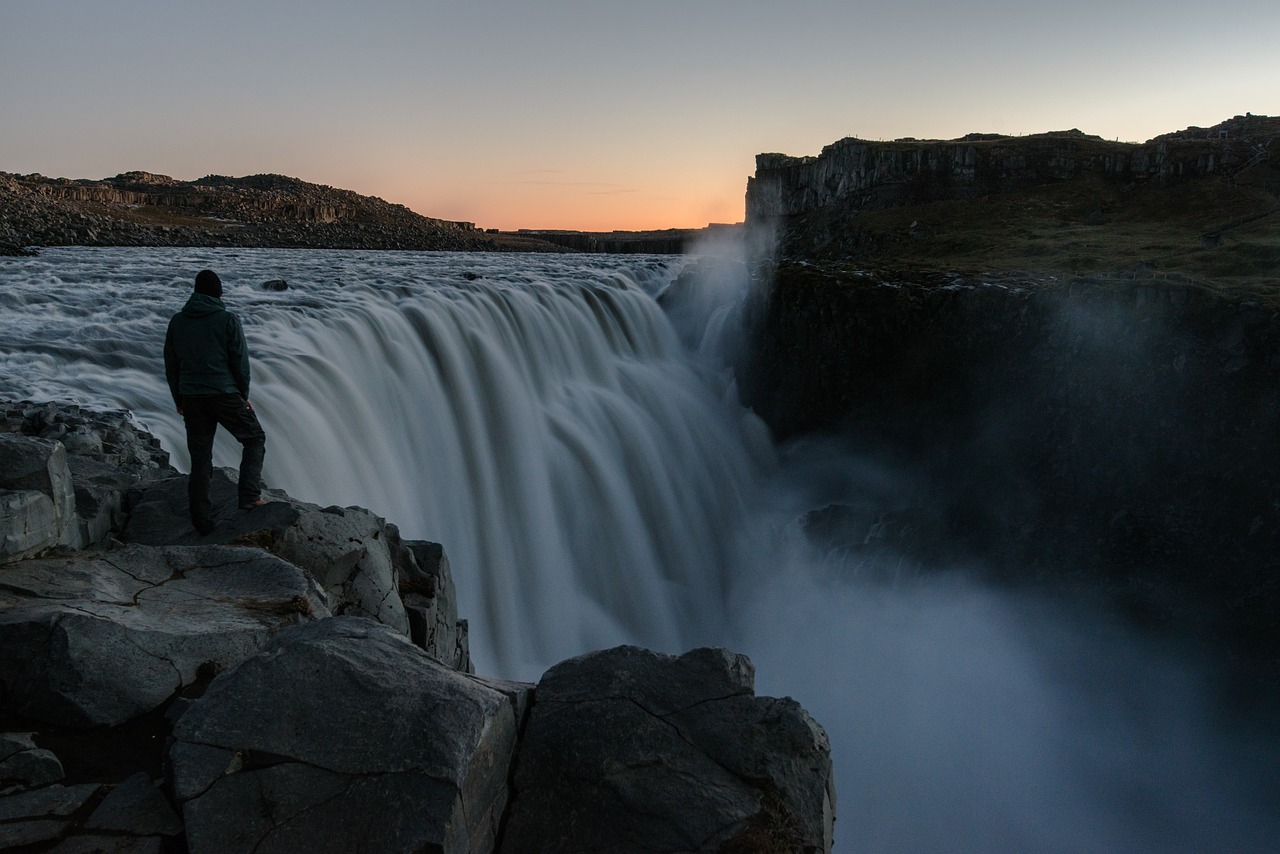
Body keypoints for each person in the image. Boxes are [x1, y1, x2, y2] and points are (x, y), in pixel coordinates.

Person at [163, 269, 267, 535]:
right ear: (218, 294)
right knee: (254, 438)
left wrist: (179, 398)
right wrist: (243, 396)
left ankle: (201, 520)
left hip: (192, 398)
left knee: (200, 458)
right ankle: (249, 496)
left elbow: (171, 364)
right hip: (224, 393)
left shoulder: (177, 321)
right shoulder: (227, 320)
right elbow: (240, 363)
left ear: (196, 293)